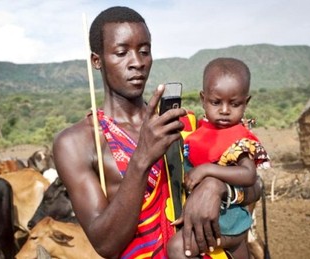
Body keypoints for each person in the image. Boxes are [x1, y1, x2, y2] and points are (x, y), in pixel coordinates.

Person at [53, 6, 262, 258]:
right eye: (121, 53)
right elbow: (105, 244)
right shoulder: (77, 143)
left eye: (144, 51)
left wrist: (216, 187)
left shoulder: (186, 124)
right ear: (97, 61)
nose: (137, 63)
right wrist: (141, 158)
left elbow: (255, 186)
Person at [168, 58, 270, 259]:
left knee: (178, 248)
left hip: (227, 221)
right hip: (212, 217)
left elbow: (249, 175)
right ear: (203, 99)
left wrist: (207, 170)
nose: (224, 110)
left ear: (246, 103)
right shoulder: (199, 131)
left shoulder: (239, 140)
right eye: (216, 102)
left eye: (234, 104)